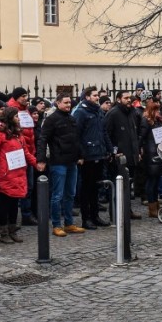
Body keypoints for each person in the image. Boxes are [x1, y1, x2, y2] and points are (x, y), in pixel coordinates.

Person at [0, 107, 36, 243]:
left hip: (18, 174)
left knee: (13, 205)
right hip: (5, 175)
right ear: (9, 118)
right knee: (3, 205)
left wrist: (36, 163)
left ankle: (12, 230)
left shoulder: (19, 135)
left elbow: (26, 153)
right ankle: (3, 232)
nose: (19, 118)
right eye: (16, 116)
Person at [36, 95, 84, 237]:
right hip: (58, 161)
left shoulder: (72, 119)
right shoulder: (51, 120)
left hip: (72, 161)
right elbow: (42, 139)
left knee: (70, 193)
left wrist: (80, 155)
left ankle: (69, 223)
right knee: (57, 195)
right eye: (65, 102)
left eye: (69, 102)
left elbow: (77, 139)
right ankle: (56, 224)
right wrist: (41, 159)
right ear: (58, 103)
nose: (69, 105)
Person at [72, 87, 112, 228]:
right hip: (87, 156)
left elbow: (103, 132)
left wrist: (109, 149)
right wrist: (80, 154)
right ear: (87, 97)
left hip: (99, 154)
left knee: (95, 187)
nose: (97, 97)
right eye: (94, 95)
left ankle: (95, 216)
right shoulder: (80, 112)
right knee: (86, 188)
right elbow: (76, 135)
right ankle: (86, 218)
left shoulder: (98, 111)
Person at [105, 90, 142, 217]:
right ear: (119, 99)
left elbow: (135, 134)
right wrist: (113, 152)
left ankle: (127, 210)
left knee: (128, 184)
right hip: (119, 156)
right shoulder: (113, 113)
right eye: (126, 98)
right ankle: (116, 213)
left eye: (130, 97)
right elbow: (107, 134)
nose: (129, 100)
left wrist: (137, 150)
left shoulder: (132, 112)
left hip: (131, 155)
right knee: (118, 185)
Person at [7, 88, 37, 226]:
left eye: (26, 95)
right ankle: (16, 216)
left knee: (28, 186)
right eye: (23, 96)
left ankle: (26, 214)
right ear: (17, 97)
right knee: (17, 186)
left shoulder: (25, 110)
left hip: (28, 152)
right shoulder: (11, 110)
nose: (26, 98)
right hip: (17, 154)